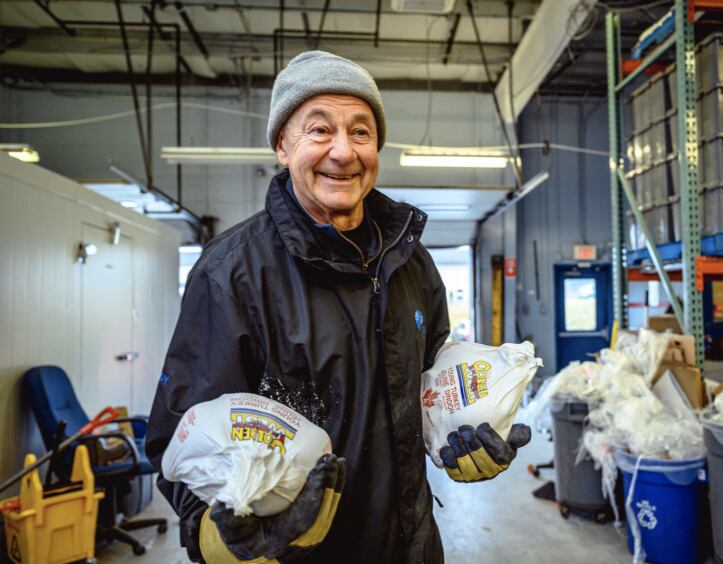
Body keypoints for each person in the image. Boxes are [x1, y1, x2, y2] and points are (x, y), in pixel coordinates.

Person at [146, 50, 532, 564]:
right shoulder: (232, 274)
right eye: (319, 130)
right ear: (283, 145)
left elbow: (432, 386)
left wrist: (463, 438)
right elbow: (179, 437)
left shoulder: (411, 262)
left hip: (412, 548)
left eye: (361, 132)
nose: (344, 152)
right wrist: (217, 536)